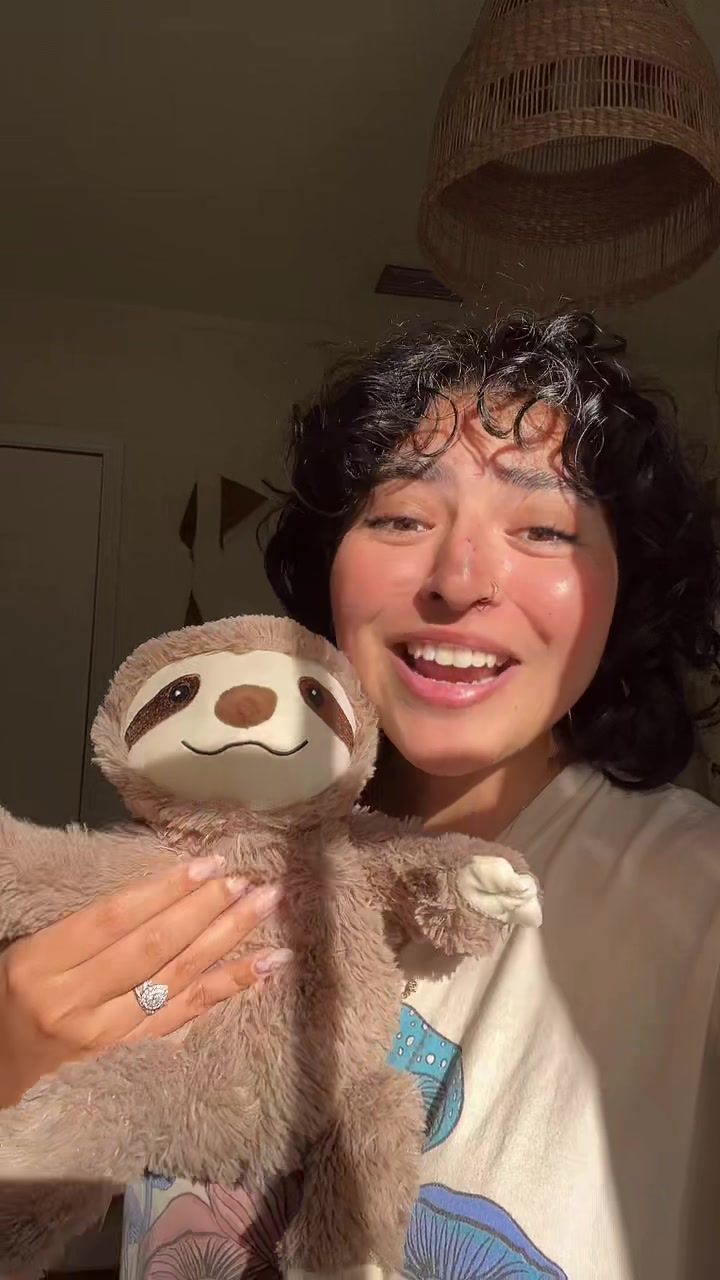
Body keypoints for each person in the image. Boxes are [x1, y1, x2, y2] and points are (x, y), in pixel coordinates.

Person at [3, 312, 720, 1280]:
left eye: (545, 529)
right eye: (401, 517)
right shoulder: (206, 860)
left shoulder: (698, 906)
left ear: (623, 594)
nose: (459, 580)